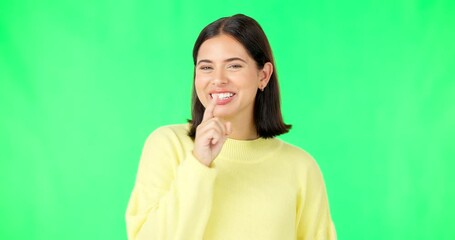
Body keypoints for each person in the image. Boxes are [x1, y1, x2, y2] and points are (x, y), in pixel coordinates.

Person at [126, 14, 336, 240]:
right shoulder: (167, 145)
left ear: (263, 75)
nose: (218, 79)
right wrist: (198, 161)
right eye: (206, 67)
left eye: (234, 66)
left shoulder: (301, 167)